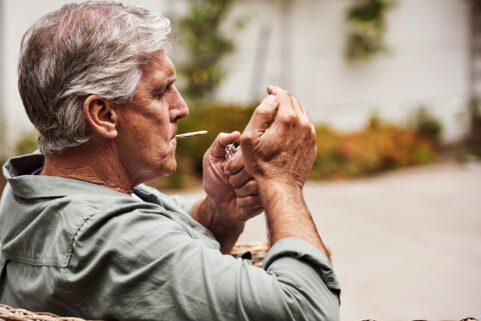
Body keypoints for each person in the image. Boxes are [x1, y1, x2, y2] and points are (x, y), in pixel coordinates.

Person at [0, 2, 340, 320]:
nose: (181, 108)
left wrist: (218, 211)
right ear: (103, 115)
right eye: (161, 92)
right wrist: (281, 179)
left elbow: (165, 252)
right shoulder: (112, 239)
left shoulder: (33, 185)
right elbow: (308, 310)